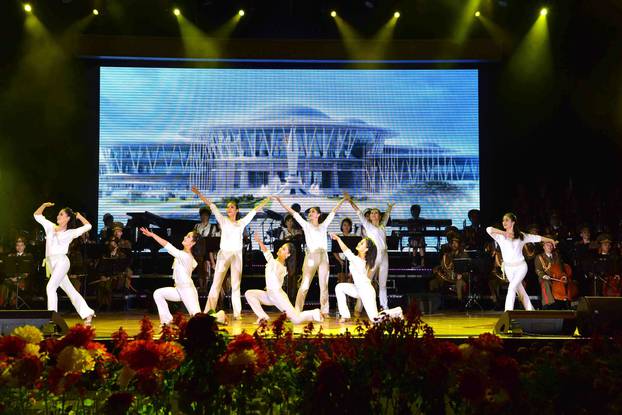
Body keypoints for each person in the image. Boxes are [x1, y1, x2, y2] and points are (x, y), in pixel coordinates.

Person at [192, 187, 270, 319]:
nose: (229, 209)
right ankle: (207, 311)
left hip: (237, 256)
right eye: (228, 207)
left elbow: (254, 211)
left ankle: (237, 313)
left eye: (232, 207)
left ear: (237, 210)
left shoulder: (241, 223)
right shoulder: (223, 220)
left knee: (235, 285)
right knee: (216, 283)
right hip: (224, 255)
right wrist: (199, 194)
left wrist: (266, 200)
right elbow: (211, 205)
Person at [273, 195, 346, 316]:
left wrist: (343, 200)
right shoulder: (306, 225)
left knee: (324, 286)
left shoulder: (323, 225)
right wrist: (281, 202)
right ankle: (297, 309)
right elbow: (293, 212)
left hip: (324, 256)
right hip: (312, 256)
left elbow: (333, 211)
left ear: (318, 215)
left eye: (313, 211)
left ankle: (325, 310)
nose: (310, 213)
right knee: (305, 284)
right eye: (309, 212)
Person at [140, 227, 225, 325]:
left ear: (193, 243)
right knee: (158, 294)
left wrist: (153, 235)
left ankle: (219, 317)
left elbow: (167, 245)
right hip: (179, 289)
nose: (185, 237)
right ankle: (166, 322)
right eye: (186, 235)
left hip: (187, 290)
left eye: (188, 237)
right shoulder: (186, 256)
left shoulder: (185, 256)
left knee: (198, 318)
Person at [33, 202, 95, 324]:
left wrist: (79, 216)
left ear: (67, 218)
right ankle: (88, 312)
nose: (58, 216)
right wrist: (44, 205)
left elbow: (89, 226)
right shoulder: (50, 226)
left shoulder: (70, 232)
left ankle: (52, 318)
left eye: (61, 214)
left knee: (50, 287)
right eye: (58, 214)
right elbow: (37, 215)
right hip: (51, 263)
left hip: (62, 262)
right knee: (70, 290)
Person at [245, 234, 322, 324]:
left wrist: (260, 242)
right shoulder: (275, 262)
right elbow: (268, 255)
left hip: (278, 296)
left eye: (284, 249)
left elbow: (267, 254)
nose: (280, 249)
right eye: (281, 247)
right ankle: (263, 317)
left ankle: (315, 313)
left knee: (296, 319)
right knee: (249, 294)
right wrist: (259, 242)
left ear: (288, 255)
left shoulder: (281, 266)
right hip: (270, 295)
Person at [486, 213, 556, 311]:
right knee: (521, 292)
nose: (504, 222)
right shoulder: (500, 236)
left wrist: (550, 240)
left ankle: (507, 313)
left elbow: (537, 238)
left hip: (521, 267)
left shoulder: (522, 236)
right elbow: (488, 229)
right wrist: (504, 233)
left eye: (507, 220)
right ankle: (531, 311)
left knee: (511, 288)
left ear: (513, 222)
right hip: (509, 268)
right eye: (503, 220)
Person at [330, 233, 403, 323]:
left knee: (375, 319)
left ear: (366, 249)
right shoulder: (357, 259)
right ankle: (345, 315)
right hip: (358, 289)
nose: (359, 243)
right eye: (360, 242)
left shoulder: (359, 261)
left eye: (362, 243)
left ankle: (396, 311)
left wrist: (338, 239)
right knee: (339, 287)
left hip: (366, 291)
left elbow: (346, 250)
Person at [345, 193, 393, 310]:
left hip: (384, 256)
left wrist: (389, 208)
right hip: (374, 256)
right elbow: (359, 213)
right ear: (370, 217)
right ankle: (361, 306)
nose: (373, 214)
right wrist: (350, 201)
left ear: (379, 216)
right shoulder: (368, 226)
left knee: (382, 284)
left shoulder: (382, 226)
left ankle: (384, 307)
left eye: (376, 212)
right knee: (367, 282)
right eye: (372, 213)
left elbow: (386, 215)